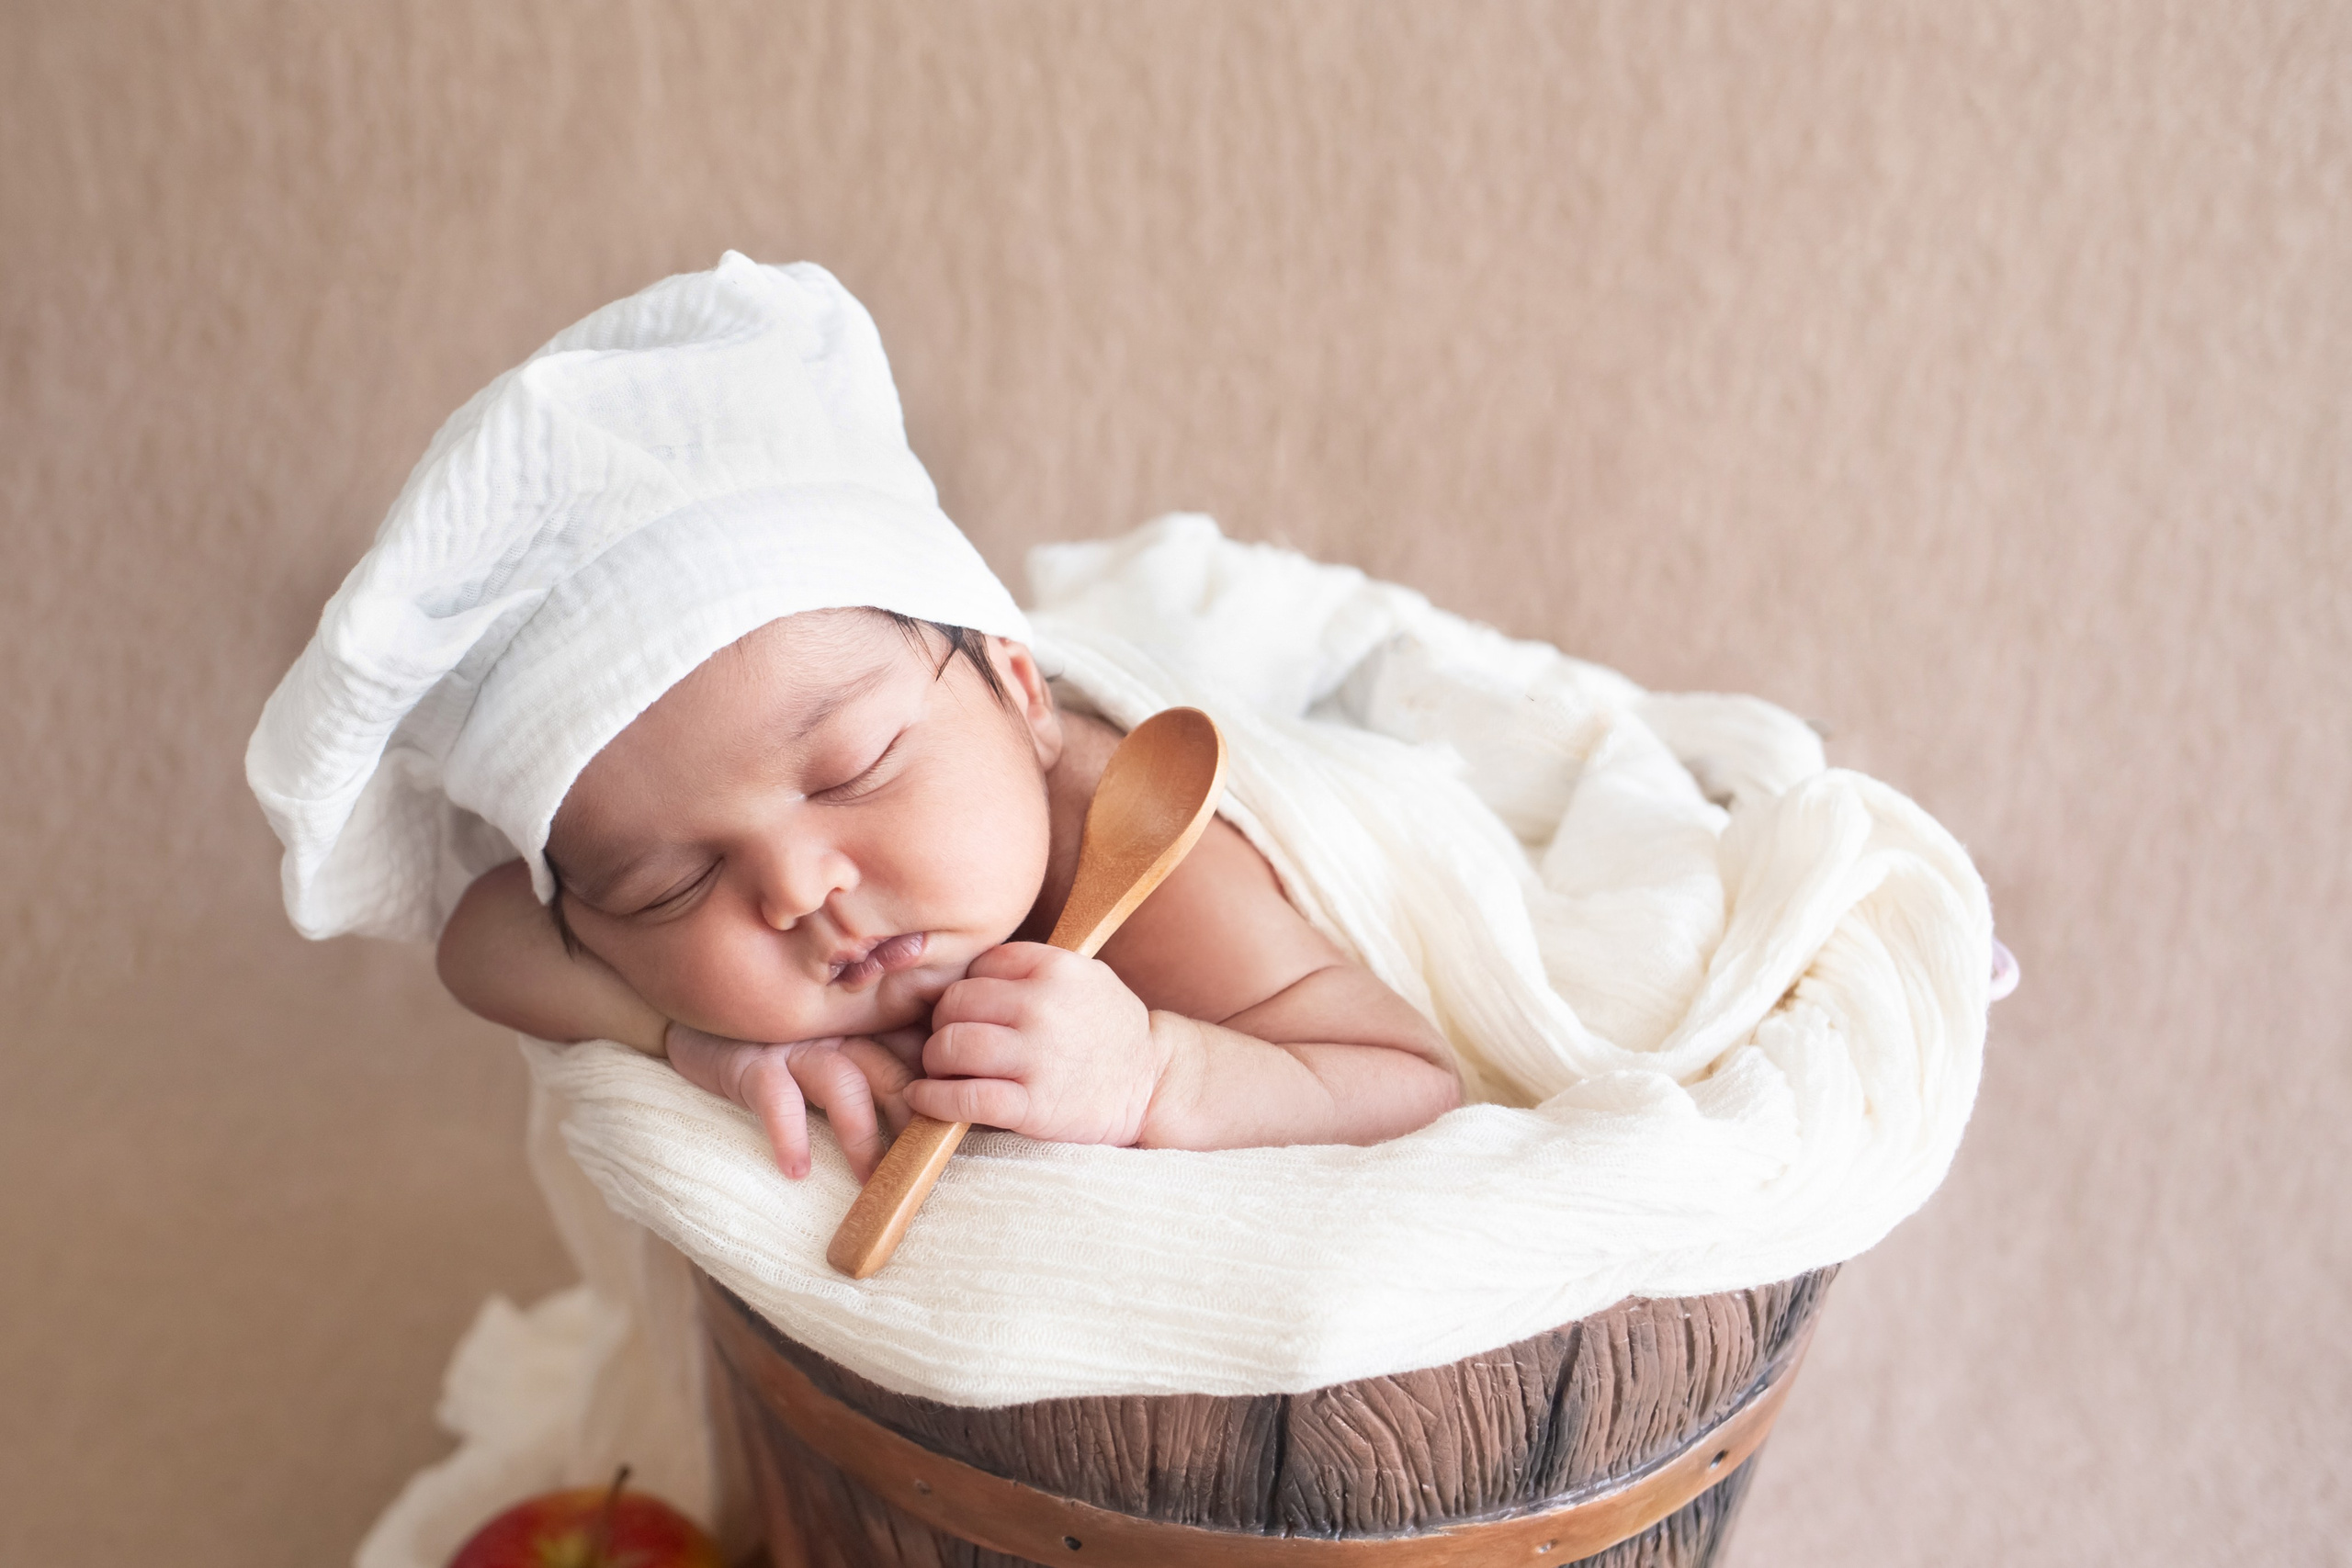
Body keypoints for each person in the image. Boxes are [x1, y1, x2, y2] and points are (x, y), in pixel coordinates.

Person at [248, 254, 1456, 1188]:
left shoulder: (1138, 864)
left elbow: (1407, 1083)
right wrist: (695, 1042)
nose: (800, 890)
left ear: (1019, 691)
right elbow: (482, 939)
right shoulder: (678, 894)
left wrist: (1159, 1072)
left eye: (859, 768)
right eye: (673, 885)